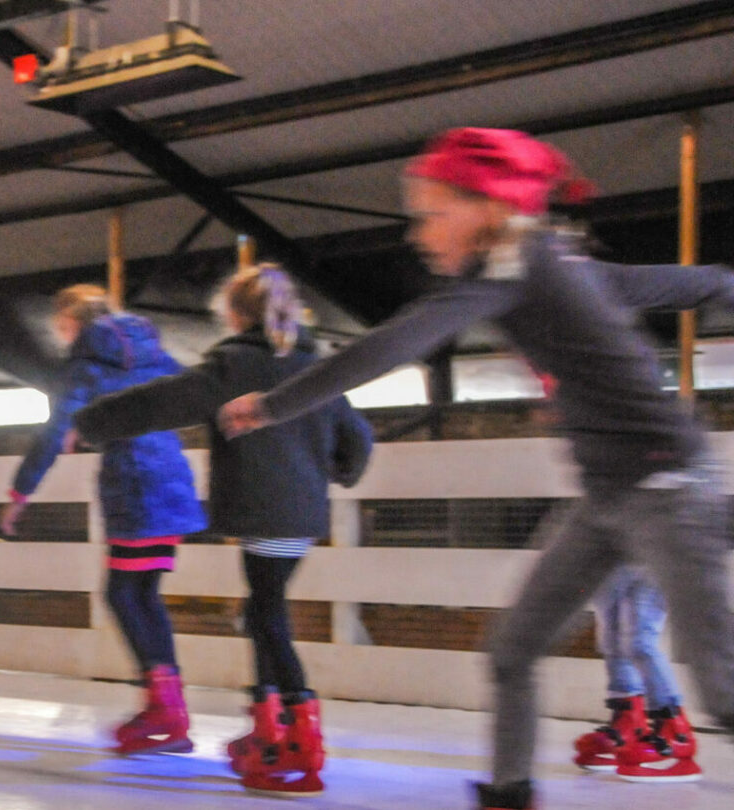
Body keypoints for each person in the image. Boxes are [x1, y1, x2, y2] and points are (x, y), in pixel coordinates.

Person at [214, 127, 734, 810]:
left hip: (670, 491)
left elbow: (386, 348)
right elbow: (707, 282)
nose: (419, 235)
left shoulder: (512, 274)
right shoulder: (561, 267)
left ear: (486, 207)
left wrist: (273, 404)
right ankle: (508, 795)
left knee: (721, 687)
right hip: (606, 501)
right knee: (511, 654)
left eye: (432, 215)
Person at [68, 265, 372, 797]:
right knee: (261, 610)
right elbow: (358, 438)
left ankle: (302, 737)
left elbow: (164, 400)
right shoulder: (314, 365)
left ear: (236, 314)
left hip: (265, 511)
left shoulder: (236, 363)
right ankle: (267, 724)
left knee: (267, 614)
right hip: (301, 514)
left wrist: (92, 423)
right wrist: (337, 470)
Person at [0, 284, 207, 755]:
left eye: (63, 330)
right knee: (142, 594)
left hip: (135, 486)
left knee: (122, 594)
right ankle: (167, 706)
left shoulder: (86, 363)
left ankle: (166, 708)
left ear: (70, 324)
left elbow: (55, 431)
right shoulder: (154, 354)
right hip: (171, 481)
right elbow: (196, 395)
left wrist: (20, 491)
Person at [571, 565, 693, 781]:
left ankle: (677, 733)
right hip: (612, 552)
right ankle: (628, 723)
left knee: (640, 641)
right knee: (612, 638)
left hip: (655, 548)